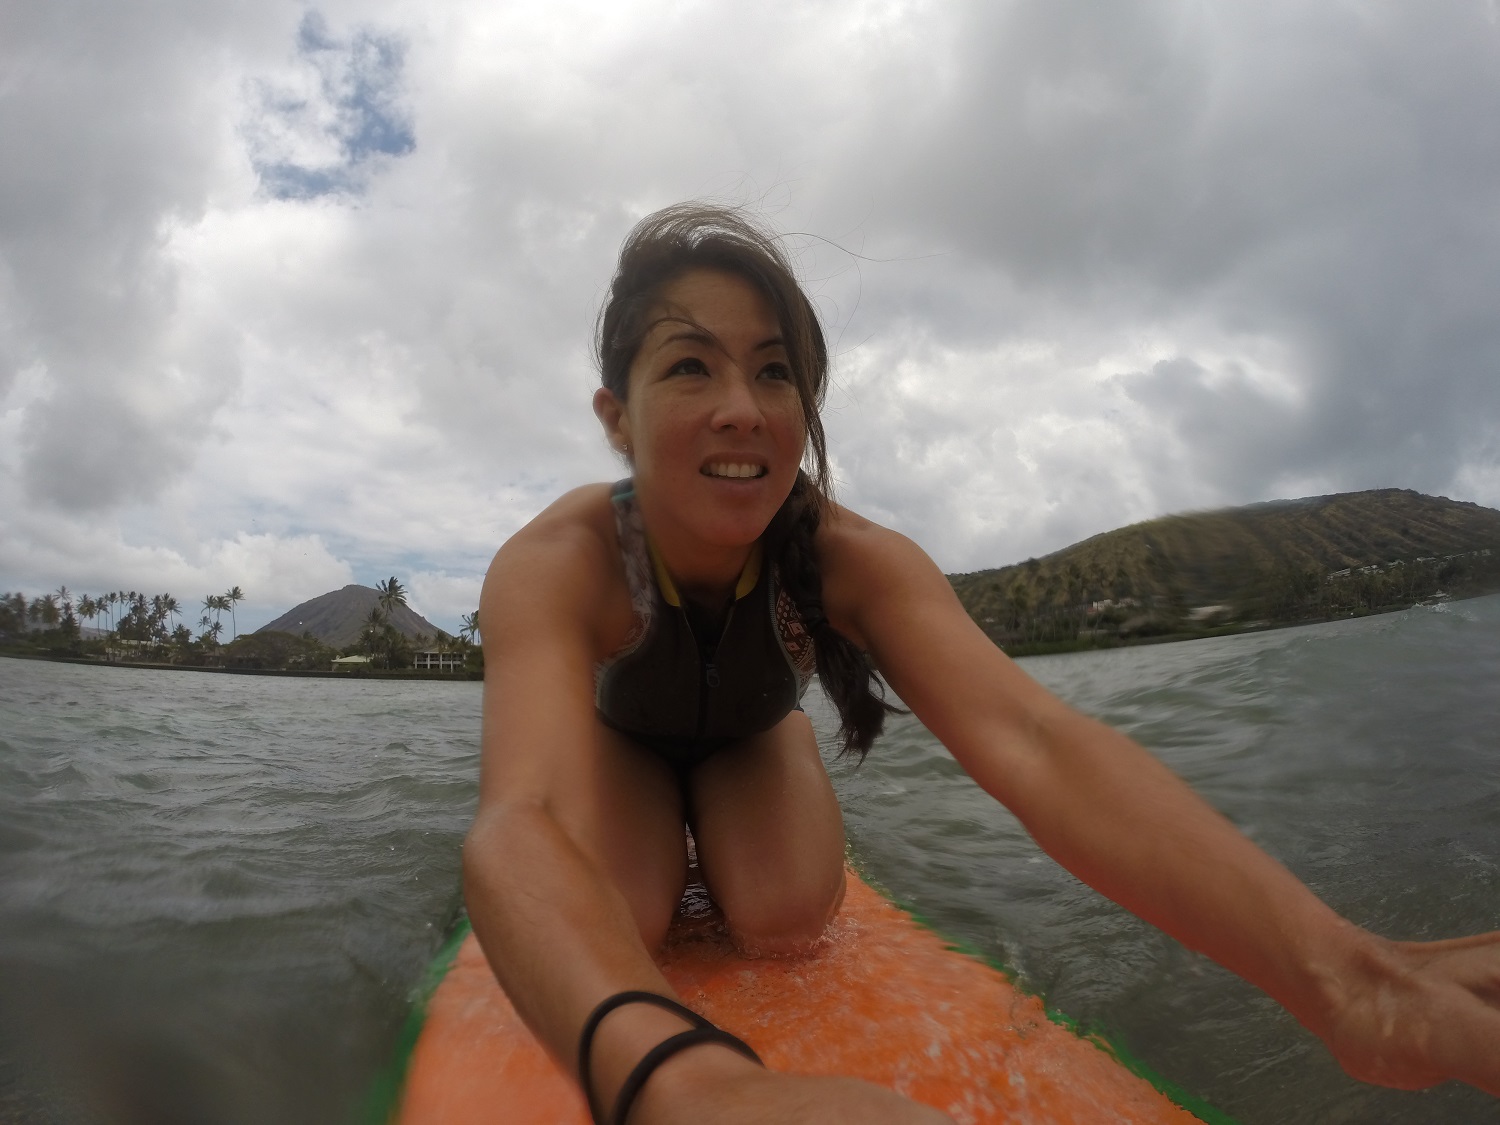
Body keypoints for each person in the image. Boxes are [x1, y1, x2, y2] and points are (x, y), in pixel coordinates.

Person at [462, 203, 1500, 1124]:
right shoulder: (562, 563)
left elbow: (1037, 741)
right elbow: (526, 820)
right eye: (690, 365)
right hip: (621, 748)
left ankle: (740, 829)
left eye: (774, 369)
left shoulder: (848, 559)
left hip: (750, 741)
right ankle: (664, 860)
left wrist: (1343, 977)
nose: (745, 406)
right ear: (616, 417)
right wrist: (684, 1082)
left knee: (781, 917)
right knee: (631, 918)